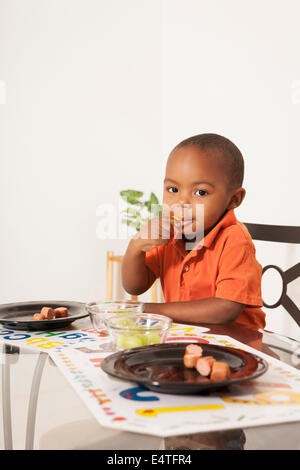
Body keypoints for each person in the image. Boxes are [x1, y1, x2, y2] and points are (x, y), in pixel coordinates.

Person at [121, 133, 265, 329]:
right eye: (173, 190)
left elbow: (226, 308)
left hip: (238, 344)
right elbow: (135, 286)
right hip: (187, 339)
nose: (182, 202)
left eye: (201, 192)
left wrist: (148, 309)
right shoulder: (170, 234)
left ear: (234, 199)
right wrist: (136, 245)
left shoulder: (235, 239)